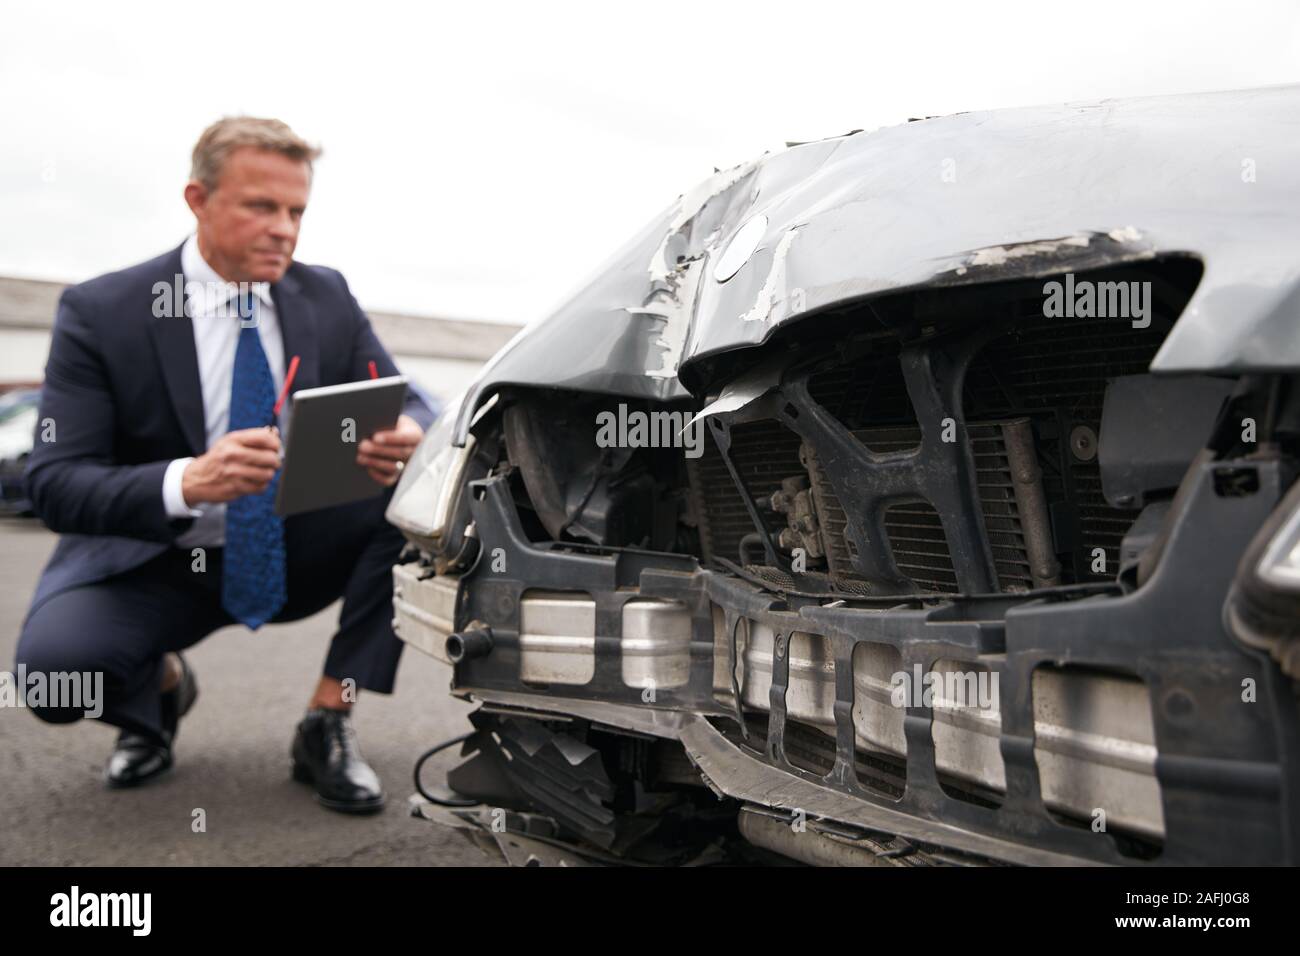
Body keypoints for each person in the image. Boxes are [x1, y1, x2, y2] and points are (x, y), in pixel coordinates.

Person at [14, 116, 435, 814]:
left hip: (289, 545)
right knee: (54, 679)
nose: (284, 229)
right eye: (260, 206)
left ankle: (327, 718)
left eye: (296, 210)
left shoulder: (324, 294)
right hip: (155, 561)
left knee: (406, 506)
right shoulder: (103, 311)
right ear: (197, 199)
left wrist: (409, 427)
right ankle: (163, 688)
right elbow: (54, 484)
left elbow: (406, 395)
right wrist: (188, 479)